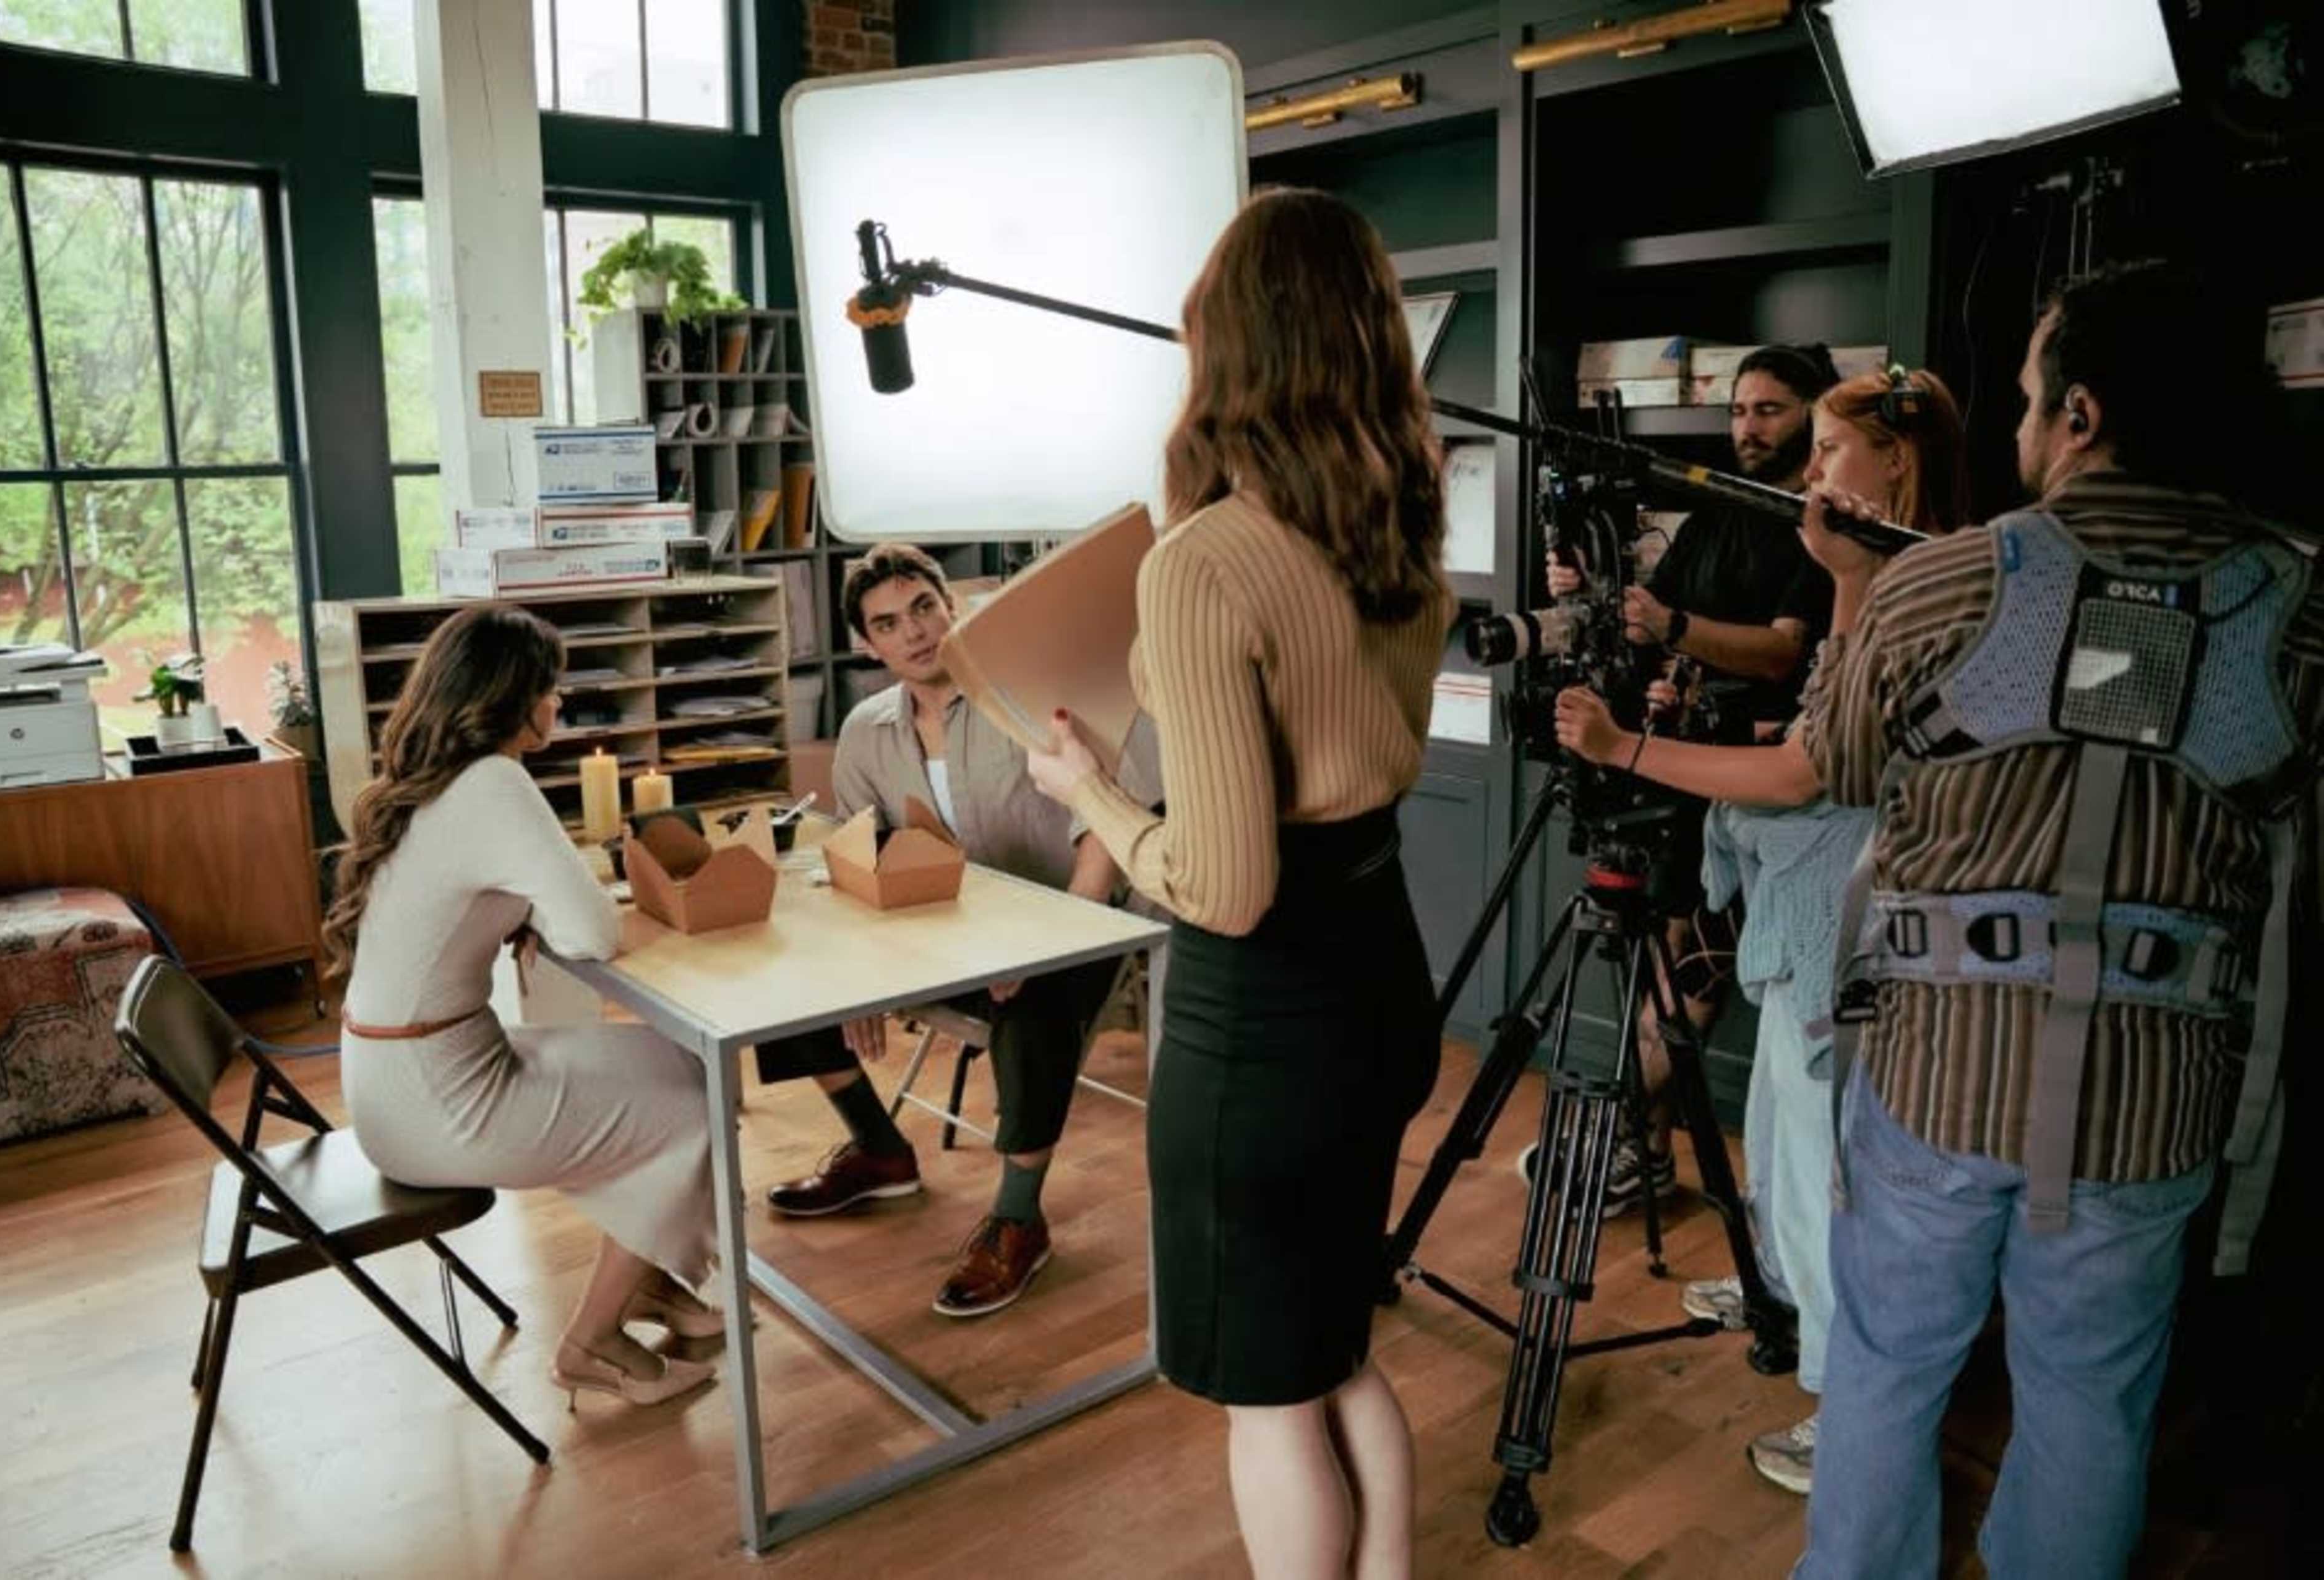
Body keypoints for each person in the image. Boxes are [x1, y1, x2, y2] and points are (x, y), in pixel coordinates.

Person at [1793, 263, 2324, 1578]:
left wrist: (1851, 588)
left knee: (1886, 1364)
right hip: (2154, 1094)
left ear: (2079, 414)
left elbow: (1847, 764)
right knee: (2094, 1400)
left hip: (1936, 1069)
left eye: (2030, 397)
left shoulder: (1939, 582)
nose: (2022, 423)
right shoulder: (2302, 613)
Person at [1026, 188, 1449, 1580]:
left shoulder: (1204, 561)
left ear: (1231, 348)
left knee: (1269, 1391)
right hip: (1380, 968)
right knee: (1334, 1339)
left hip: (1262, 1015)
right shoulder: (1399, 530)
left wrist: (1085, 788)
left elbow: (1223, 885)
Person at [1554, 367, 1970, 1497]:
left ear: (1895, 464)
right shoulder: (1871, 578)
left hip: (1849, 908)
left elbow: (1811, 764)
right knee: (1780, 1128)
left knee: (1821, 1162)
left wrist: (1622, 750)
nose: (1816, 474)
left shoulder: (1928, 586)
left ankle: (1848, 1422)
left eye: (1832, 450)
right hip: (1801, 910)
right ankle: (1778, 1285)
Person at [325, 604, 719, 1409]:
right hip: (441, 1100)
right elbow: (593, 930)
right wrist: (543, 903)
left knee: (679, 1064)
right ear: (510, 695)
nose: (561, 703)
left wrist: (527, 906)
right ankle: (593, 1340)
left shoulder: (428, 782)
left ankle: (643, 1278)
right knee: (696, 1101)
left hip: (401, 1075)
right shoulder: (493, 782)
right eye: (552, 687)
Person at [752, 544, 1159, 1318]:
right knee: (792, 975)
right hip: (948, 927)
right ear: (867, 644)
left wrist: (1045, 946)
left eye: (924, 609)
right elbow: (859, 855)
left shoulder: (1029, 698)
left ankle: (1017, 1215)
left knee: (1035, 1005)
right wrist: (853, 973)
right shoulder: (867, 730)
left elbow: (1101, 833)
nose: (914, 632)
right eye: (888, 623)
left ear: (953, 608)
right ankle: (879, 1147)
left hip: (1072, 919)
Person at [1540, 344, 1844, 1215]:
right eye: (1739, 408)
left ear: (1813, 414)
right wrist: (1602, 593)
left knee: (1694, 982)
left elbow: (1786, 645)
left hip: (1768, 788)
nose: (1747, 426)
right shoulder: (1717, 509)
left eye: (1769, 410)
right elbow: (1650, 625)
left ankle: (1631, 1141)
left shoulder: (1818, 527)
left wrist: (1677, 625)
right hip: (1687, 776)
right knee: (1667, 969)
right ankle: (1648, 1150)